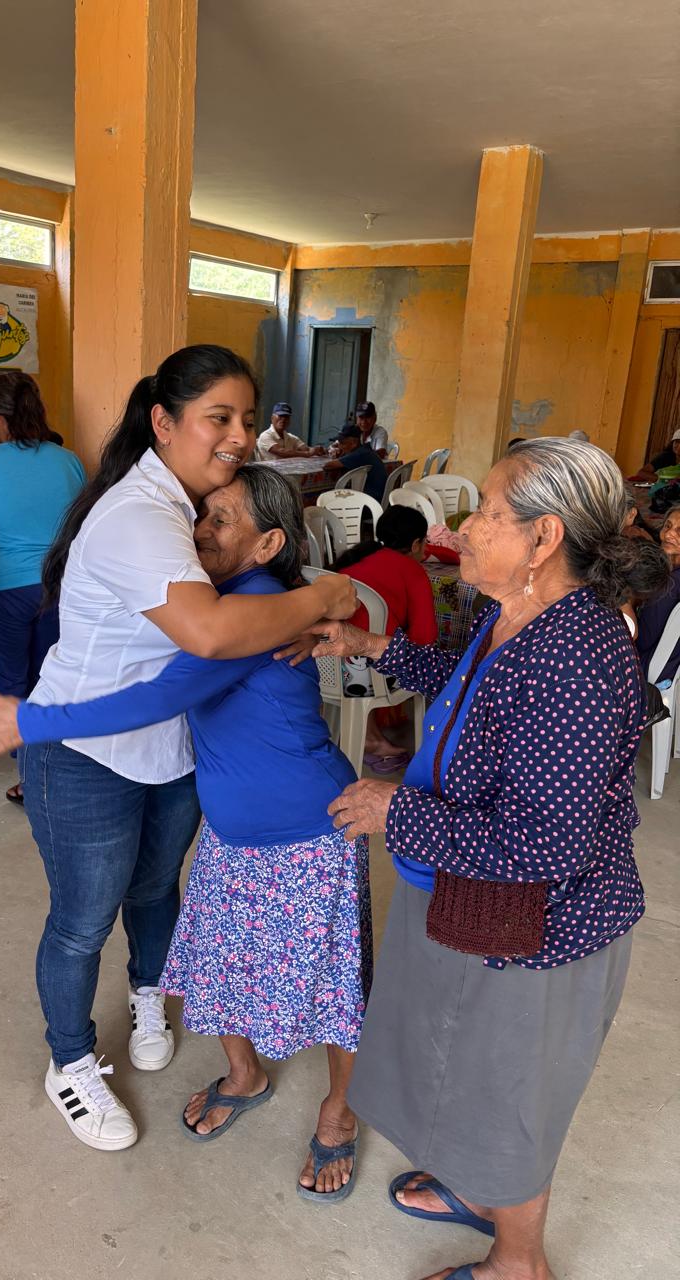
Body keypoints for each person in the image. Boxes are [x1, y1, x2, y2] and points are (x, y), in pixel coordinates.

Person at [287, 437, 668, 1280]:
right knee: (459, 1062)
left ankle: (518, 1261)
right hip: (473, 891)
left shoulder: (575, 656)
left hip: (541, 928)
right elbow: (470, 681)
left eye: (488, 513)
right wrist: (372, 647)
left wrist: (396, 810)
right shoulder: (518, 611)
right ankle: (480, 1189)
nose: (463, 529)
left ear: (544, 538)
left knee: (510, 1094)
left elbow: (547, 844)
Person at [0, 344, 356, 1152]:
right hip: (87, 748)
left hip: (171, 753)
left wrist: (320, 599)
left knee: (153, 891)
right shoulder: (142, 516)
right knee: (83, 919)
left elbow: (237, 613)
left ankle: (150, 992)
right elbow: (209, 637)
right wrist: (322, 590)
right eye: (220, 417)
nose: (240, 435)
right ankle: (70, 1061)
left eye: (247, 418)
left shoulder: (194, 507)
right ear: (164, 422)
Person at [0, 372, 85, 803]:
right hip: (60, 583)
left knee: (11, 675)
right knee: (53, 673)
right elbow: (79, 522)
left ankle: (30, 775)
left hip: (6, 585)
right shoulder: (68, 461)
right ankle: (54, 765)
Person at [334, 506, 437, 772]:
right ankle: (371, 740)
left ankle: (365, 734)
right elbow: (425, 639)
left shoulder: (358, 559)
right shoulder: (411, 570)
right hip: (367, 674)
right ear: (415, 544)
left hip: (328, 664)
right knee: (421, 660)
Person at [637, 504, 680, 685]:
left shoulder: (669, 584)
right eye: (667, 526)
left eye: (679, 531)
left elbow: (642, 639)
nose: (669, 534)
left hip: (650, 670)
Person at [327, 424, 388, 501]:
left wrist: (342, 456)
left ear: (354, 443)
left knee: (329, 499)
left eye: (342, 443)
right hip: (376, 497)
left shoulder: (359, 454)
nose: (339, 446)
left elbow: (327, 466)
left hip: (371, 501)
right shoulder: (364, 450)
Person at [256, 402, 324, 460]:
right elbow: (282, 452)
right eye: (280, 416)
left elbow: (306, 449)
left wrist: (317, 450)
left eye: (286, 417)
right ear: (272, 418)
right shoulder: (265, 435)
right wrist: (308, 453)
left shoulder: (290, 437)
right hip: (269, 471)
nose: (283, 420)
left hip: (286, 470)